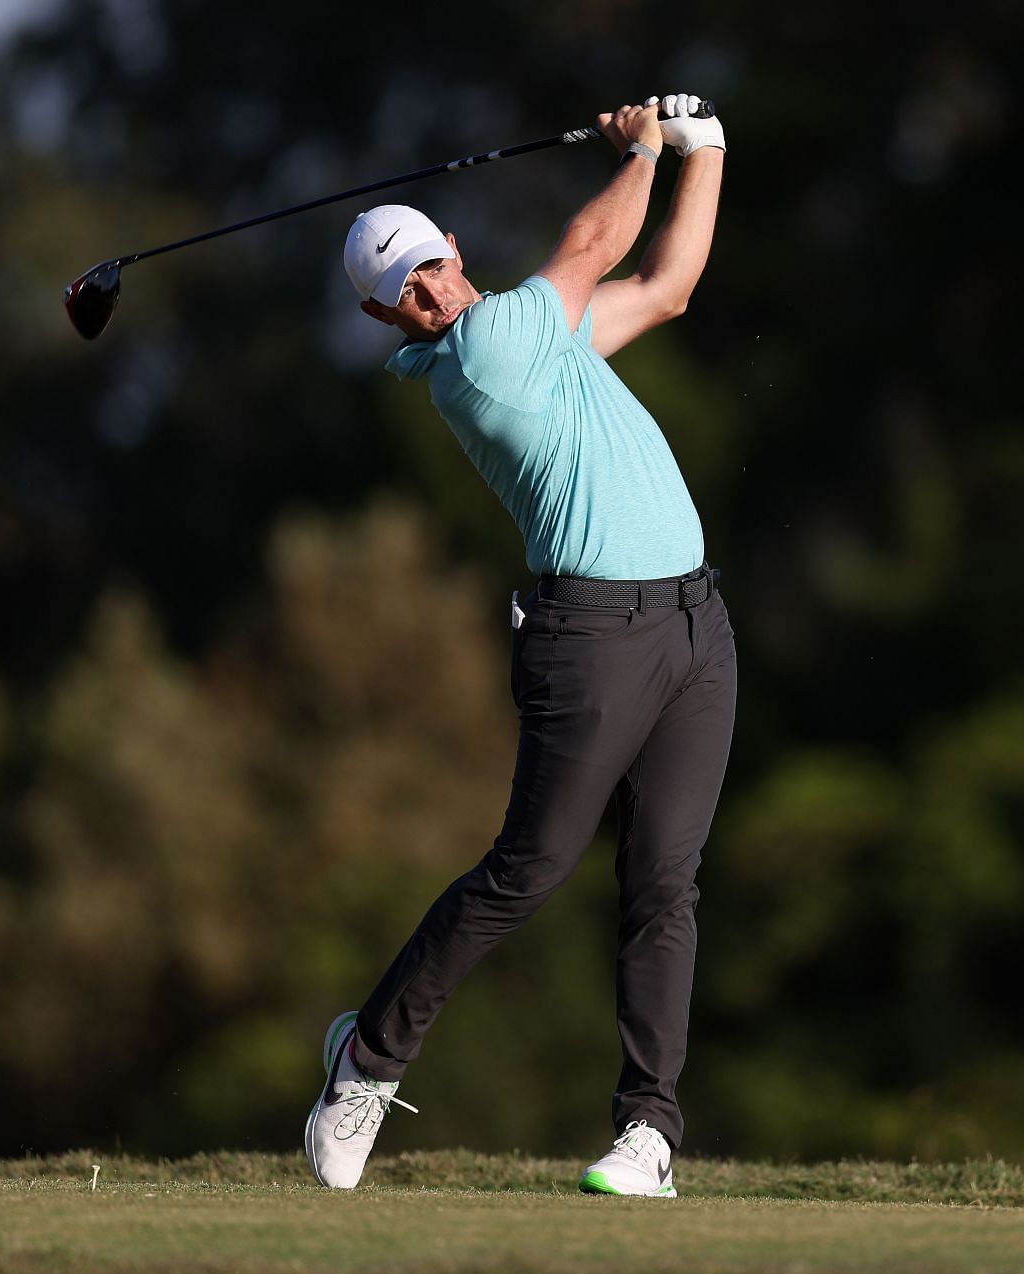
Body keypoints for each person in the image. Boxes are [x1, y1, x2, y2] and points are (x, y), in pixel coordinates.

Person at [303, 94, 732, 1198]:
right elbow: (593, 242)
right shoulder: (489, 354)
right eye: (404, 290)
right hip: (590, 636)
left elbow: (672, 284)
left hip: (693, 626)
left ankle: (649, 1134)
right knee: (526, 870)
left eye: (430, 266)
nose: (430, 291)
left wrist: (706, 145)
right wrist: (644, 145)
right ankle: (367, 1058)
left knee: (665, 884)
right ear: (384, 316)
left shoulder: (545, 335)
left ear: (454, 249)